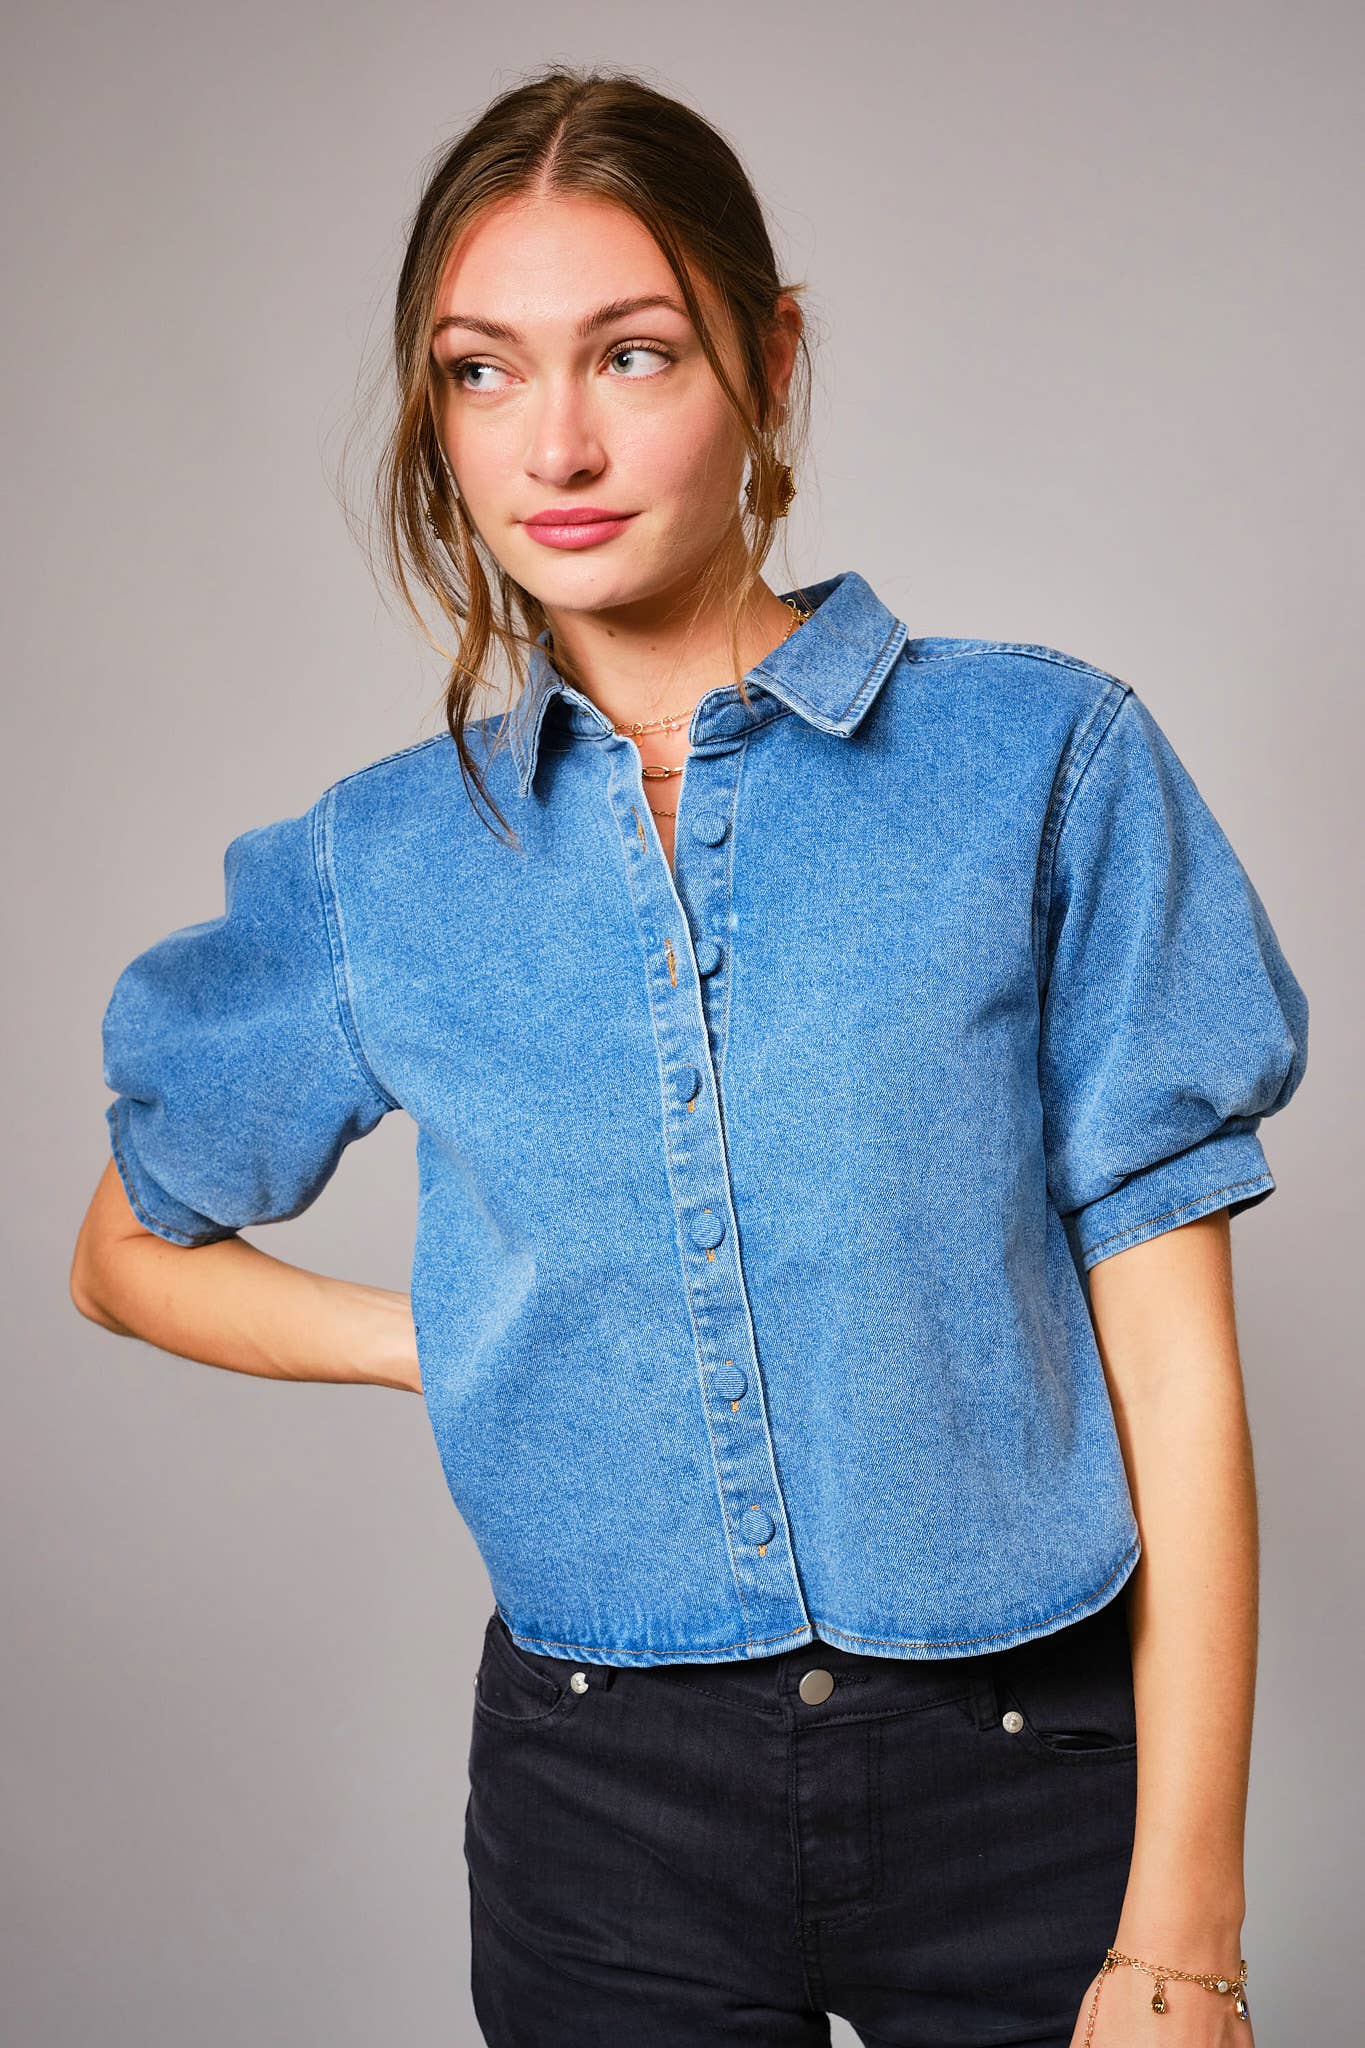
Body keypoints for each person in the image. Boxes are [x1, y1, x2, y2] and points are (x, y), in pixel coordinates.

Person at [71, 64, 1306, 2048]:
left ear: (767, 359)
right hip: (599, 1814)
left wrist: (1185, 1925)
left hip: (1027, 1776)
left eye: (630, 353)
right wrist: (463, 1333)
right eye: (481, 372)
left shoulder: (1038, 764)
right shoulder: (389, 860)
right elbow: (123, 1253)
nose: (552, 441)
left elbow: (1172, 1374)